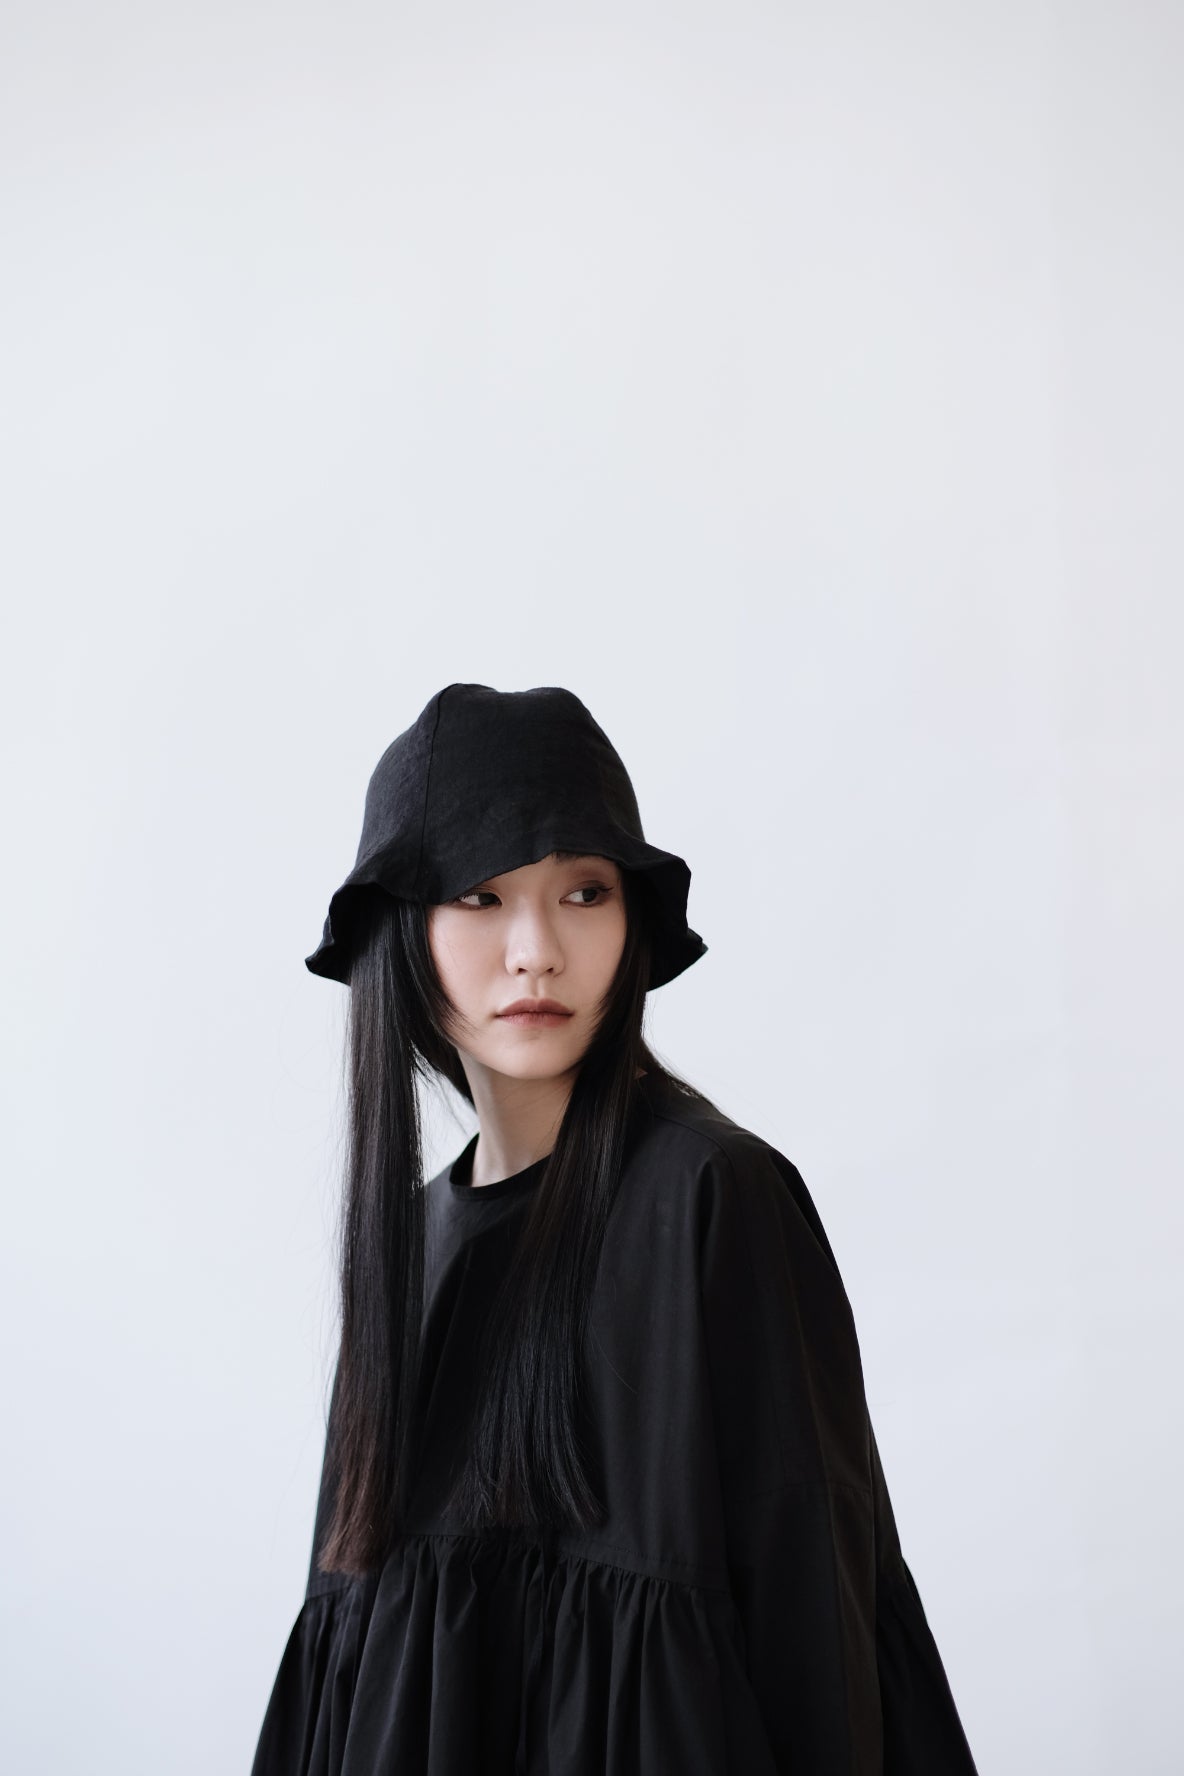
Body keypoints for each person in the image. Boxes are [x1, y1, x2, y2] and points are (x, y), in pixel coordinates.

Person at [250, 682, 979, 1776]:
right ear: (404, 928)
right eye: (480, 895)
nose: (536, 950)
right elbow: (345, 1679)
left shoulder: (711, 1200)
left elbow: (814, 1627)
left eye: (584, 892)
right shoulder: (407, 1249)